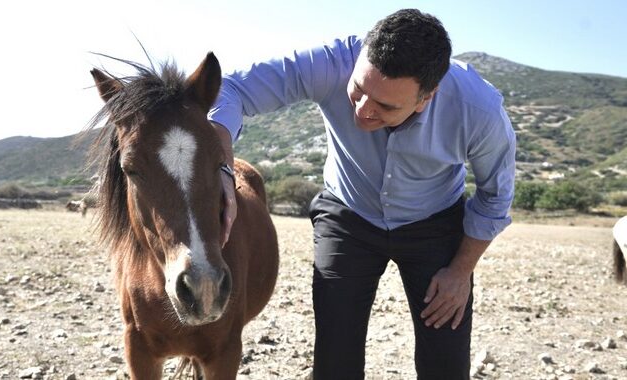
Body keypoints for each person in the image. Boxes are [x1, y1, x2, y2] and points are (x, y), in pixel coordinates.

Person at [210, 8, 516, 379]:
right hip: (348, 216)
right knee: (335, 360)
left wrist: (460, 270)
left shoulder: (479, 109)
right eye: (358, 89)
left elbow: (494, 195)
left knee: (446, 363)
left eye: (386, 106)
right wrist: (223, 166)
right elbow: (232, 88)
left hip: (435, 224)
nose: (362, 110)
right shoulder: (331, 62)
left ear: (426, 97)